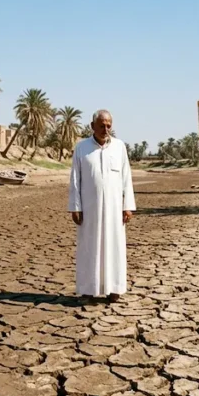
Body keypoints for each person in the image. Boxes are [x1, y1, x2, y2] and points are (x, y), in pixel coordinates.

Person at [67, 109, 135, 302]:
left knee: (115, 248)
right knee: (89, 248)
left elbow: (126, 178)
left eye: (108, 125)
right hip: (90, 210)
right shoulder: (82, 148)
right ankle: (88, 291)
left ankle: (115, 290)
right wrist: (75, 207)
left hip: (115, 211)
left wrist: (127, 206)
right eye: (101, 125)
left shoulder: (119, 147)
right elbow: (75, 180)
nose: (105, 129)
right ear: (92, 126)